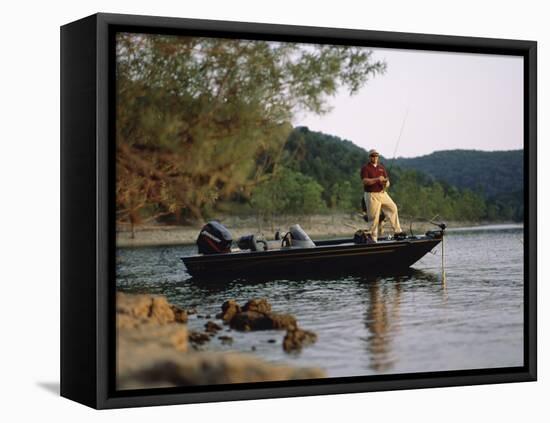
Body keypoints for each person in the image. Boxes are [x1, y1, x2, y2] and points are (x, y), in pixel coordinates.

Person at [360, 149, 407, 242]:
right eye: (373, 155)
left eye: (376, 155)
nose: (375, 157)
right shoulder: (365, 168)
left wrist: (386, 182)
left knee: (393, 208)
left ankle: (398, 232)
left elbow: (387, 182)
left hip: (382, 193)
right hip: (371, 195)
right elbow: (365, 181)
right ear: (369, 157)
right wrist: (378, 179)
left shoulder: (381, 168)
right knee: (374, 217)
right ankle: (373, 239)